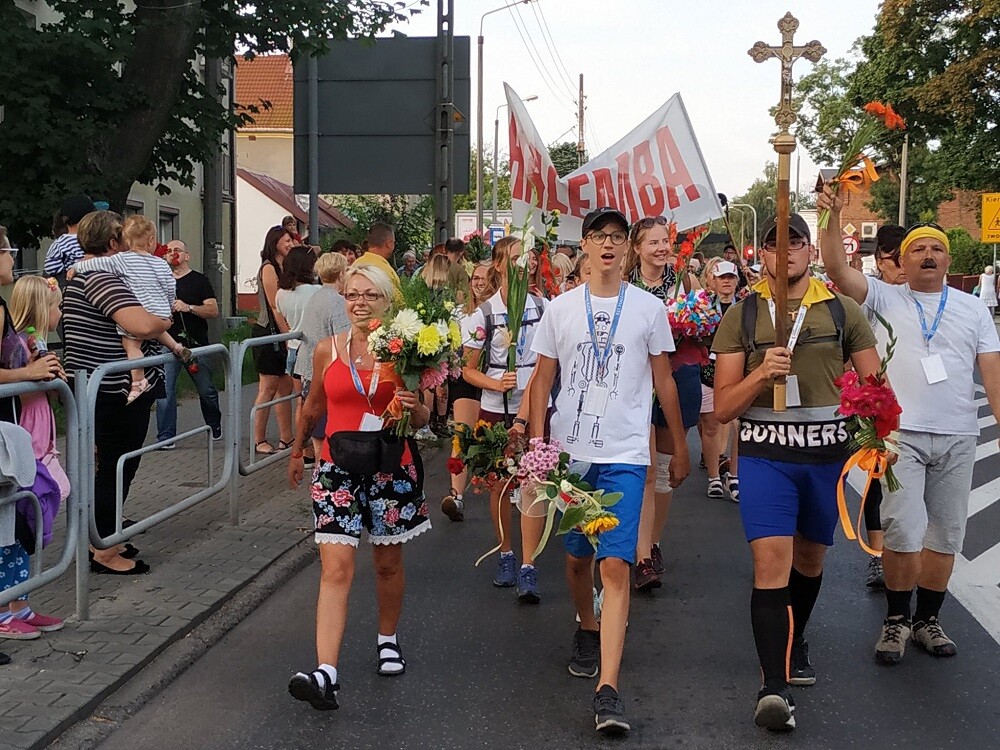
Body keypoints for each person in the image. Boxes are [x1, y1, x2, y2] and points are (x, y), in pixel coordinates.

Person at [818, 187, 1000, 667]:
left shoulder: (974, 309)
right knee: (901, 528)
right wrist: (833, 216)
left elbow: (993, 374)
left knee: (946, 533)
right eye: (918, 248)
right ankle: (896, 620)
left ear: (948, 259)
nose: (928, 254)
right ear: (902, 259)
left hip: (960, 435)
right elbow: (836, 269)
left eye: (937, 248)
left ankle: (927, 621)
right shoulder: (882, 295)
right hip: (901, 437)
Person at [713, 212, 880, 732]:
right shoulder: (741, 317)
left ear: (809, 252)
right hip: (766, 460)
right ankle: (774, 687)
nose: (784, 252)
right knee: (771, 565)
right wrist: (763, 372)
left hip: (825, 461)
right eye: (772, 245)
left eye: (795, 243)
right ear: (759, 256)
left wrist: (881, 438)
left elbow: (876, 384)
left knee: (809, 561)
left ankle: (796, 636)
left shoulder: (842, 310)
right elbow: (722, 409)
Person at [529, 207, 690, 735]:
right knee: (578, 562)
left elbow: (664, 381)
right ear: (586, 246)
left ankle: (609, 687)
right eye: (598, 237)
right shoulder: (560, 309)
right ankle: (586, 623)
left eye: (616, 238)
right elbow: (541, 381)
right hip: (571, 456)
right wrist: (537, 447)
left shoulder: (648, 310)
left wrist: (680, 445)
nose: (607, 246)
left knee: (615, 567)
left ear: (626, 248)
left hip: (626, 451)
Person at [286, 264, 431, 712]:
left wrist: (413, 405)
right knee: (335, 569)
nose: (360, 303)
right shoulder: (328, 350)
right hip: (337, 467)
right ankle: (326, 672)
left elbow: (424, 417)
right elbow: (313, 405)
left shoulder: (406, 352)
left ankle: (387, 637)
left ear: (388, 301)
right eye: (351, 295)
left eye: (370, 295)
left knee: (387, 563)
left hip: (391, 465)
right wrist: (297, 451)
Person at [64, 210, 172, 574]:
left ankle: (105, 534)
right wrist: (165, 320)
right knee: (116, 464)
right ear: (113, 242)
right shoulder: (103, 279)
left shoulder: (80, 275)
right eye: (122, 236)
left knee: (112, 463)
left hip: (96, 385)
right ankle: (104, 549)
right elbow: (141, 323)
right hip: (114, 388)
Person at [462, 237, 548, 601]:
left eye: (525, 258)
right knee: (498, 483)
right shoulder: (481, 314)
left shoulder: (544, 307)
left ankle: (529, 564)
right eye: (513, 259)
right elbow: (466, 370)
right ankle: (506, 553)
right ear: (498, 265)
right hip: (497, 406)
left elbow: (548, 360)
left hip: (536, 404)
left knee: (533, 481)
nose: (521, 264)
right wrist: (496, 382)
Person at [622, 216, 702, 591]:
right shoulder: (625, 287)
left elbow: (705, 323)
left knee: (668, 469)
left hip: (678, 375)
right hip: (638, 380)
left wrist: (693, 326)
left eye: (664, 241)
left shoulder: (685, 280)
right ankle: (641, 557)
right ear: (637, 248)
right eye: (652, 242)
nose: (660, 248)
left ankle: (653, 543)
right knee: (648, 469)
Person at [0, 270, 67, 642]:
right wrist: (32, 372)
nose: (12, 257)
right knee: (14, 524)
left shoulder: (26, 337)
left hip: (24, 437)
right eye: (7, 249)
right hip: (18, 435)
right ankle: (5, 609)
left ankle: (18, 603)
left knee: (20, 525)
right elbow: (19, 382)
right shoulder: (16, 335)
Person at [73, 215, 190, 404]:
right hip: (159, 311)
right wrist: (168, 311)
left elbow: (94, 263)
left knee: (132, 345)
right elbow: (169, 290)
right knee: (151, 332)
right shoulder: (159, 264)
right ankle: (173, 350)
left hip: (144, 309)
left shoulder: (119, 262)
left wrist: (75, 268)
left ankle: (139, 379)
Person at [856, 224, 907, 588]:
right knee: (878, 476)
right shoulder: (870, 297)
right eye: (895, 259)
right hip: (879, 401)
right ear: (880, 261)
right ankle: (877, 555)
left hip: (918, 407)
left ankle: (909, 552)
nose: (904, 266)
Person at [154, 240, 223, 446]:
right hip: (168, 345)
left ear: (187, 256)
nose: (172, 254)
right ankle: (166, 437)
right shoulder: (161, 280)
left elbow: (213, 310)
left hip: (195, 346)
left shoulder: (199, 280)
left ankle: (214, 424)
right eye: (169, 251)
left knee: (206, 390)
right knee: (165, 393)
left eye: (177, 250)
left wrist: (189, 308)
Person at [441, 260, 494, 522]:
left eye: (485, 278)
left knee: (497, 437)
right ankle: (456, 495)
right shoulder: (460, 313)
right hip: (464, 377)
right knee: (462, 434)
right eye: (475, 278)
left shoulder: (501, 311)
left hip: (494, 375)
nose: (479, 282)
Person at [294, 252, 350, 461]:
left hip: (307, 366)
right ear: (341, 273)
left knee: (316, 426)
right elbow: (342, 338)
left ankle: (318, 465)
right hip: (327, 370)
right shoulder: (337, 302)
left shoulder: (315, 296)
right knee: (327, 425)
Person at [699, 258, 741, 502]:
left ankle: (734, 475)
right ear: (712, 281)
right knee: (711, 423)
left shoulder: (745, 306)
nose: (726, 282)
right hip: (708, 370)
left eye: (730, 278)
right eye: (721, 278)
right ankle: (714, 477)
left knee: (739, 424)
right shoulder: (702, 307)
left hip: (736, 371)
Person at [252, 226, 296, 455]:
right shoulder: (268, 268)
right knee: (267, 388)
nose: (290, 244)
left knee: (285, 387)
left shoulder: (284, 267)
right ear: (275, 242)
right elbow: (274, 305)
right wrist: (287, 335)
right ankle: (258, 439)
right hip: (269, 334)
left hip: (279, 334)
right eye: (287, 240)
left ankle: (286, 437)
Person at [275, 246, 320, 380]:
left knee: (300, 397)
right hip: (313, 349)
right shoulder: (317, 291)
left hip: (294, 348)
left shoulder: (280, 294)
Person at [43, 194, 94, 282]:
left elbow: (50, 267)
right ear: (89, 219)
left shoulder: (60, 243)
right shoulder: (94, 241)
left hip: (69, 283)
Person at [354, 223, 401, 290]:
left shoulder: (355, 265)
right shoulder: (386, 271)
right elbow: (397, 300)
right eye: (393, 242)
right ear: (388, 243)